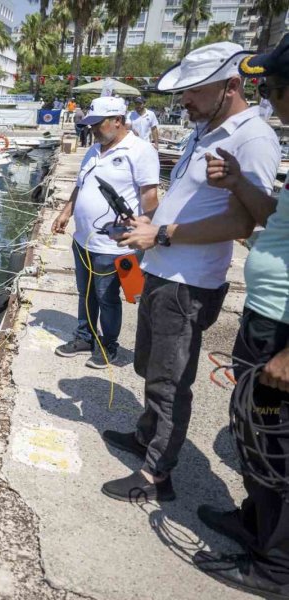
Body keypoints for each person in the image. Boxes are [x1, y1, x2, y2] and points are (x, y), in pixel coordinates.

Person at [106, 42, 281, 502]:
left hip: (189, 282)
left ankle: (156, 475)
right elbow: (191, 198)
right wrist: (151, 225)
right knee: (149, 366)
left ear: (230, 86)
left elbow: (245, 221)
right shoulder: (205, 129)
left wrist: (161, 236)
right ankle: (147, 435)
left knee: (170, 379)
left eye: (195, 91)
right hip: (163, 269)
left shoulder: (253, 138)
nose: (185, 100)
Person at [189, 34, 289, 598]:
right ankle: (255, 519)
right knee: (254, 428)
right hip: (265, 319)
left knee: (278, 442)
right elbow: (272, 216)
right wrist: (241, 184)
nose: (268, 99)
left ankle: (275, 568)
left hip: (283, 335)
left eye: (273, 88)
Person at [51, 96, 159, 369]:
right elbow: (80, 185)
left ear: (118, 121)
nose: (93, 129)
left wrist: (144, 229)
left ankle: (108, 344)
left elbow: (150, 198)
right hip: (83, 239)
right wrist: (66, 212)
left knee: (107, 296)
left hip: (113, 245)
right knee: (84, 292)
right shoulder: (94, 150)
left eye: (98, 124)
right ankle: (84, 336)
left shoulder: (140, 150)